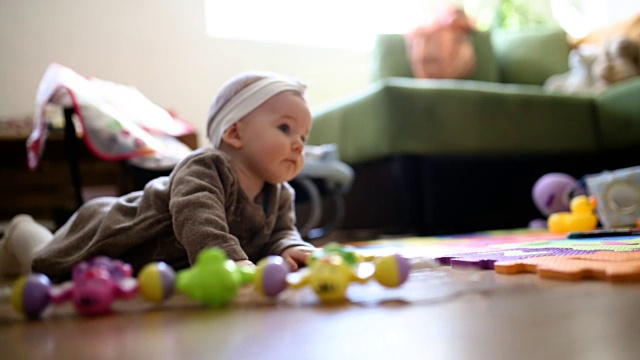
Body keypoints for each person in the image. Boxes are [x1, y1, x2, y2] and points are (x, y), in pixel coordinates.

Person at [0, 71, 316, 281]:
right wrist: (231, 263)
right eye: (286, 128)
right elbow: (198, 221)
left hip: (141, 269)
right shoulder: (206, 166)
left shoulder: (280, 193)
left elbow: (281, 233)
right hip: (111, 233)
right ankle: (20, 230)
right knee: (44, 264)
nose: (298, 144)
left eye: (303, 136)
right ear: (235, 133)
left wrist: (290, 248)